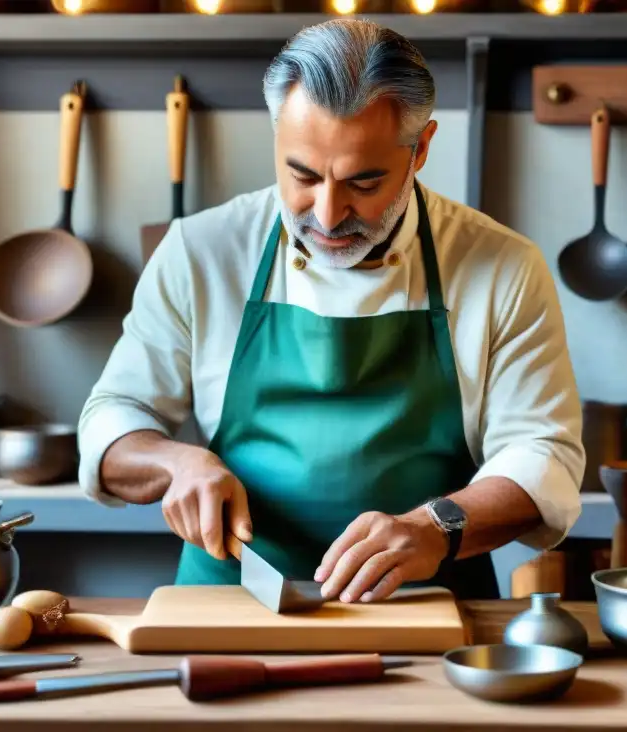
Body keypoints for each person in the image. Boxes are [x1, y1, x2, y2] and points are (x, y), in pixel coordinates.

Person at [77, 18, 585, 604]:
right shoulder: (202, 251)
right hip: (231, 604)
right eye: (302, 175)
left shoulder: (502, 266)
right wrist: (176, 465)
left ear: (420, 149)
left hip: (426, 609)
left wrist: (433, 527)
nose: (326, 212)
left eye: (363, 183)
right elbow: (112, 418)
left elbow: (544, 454)